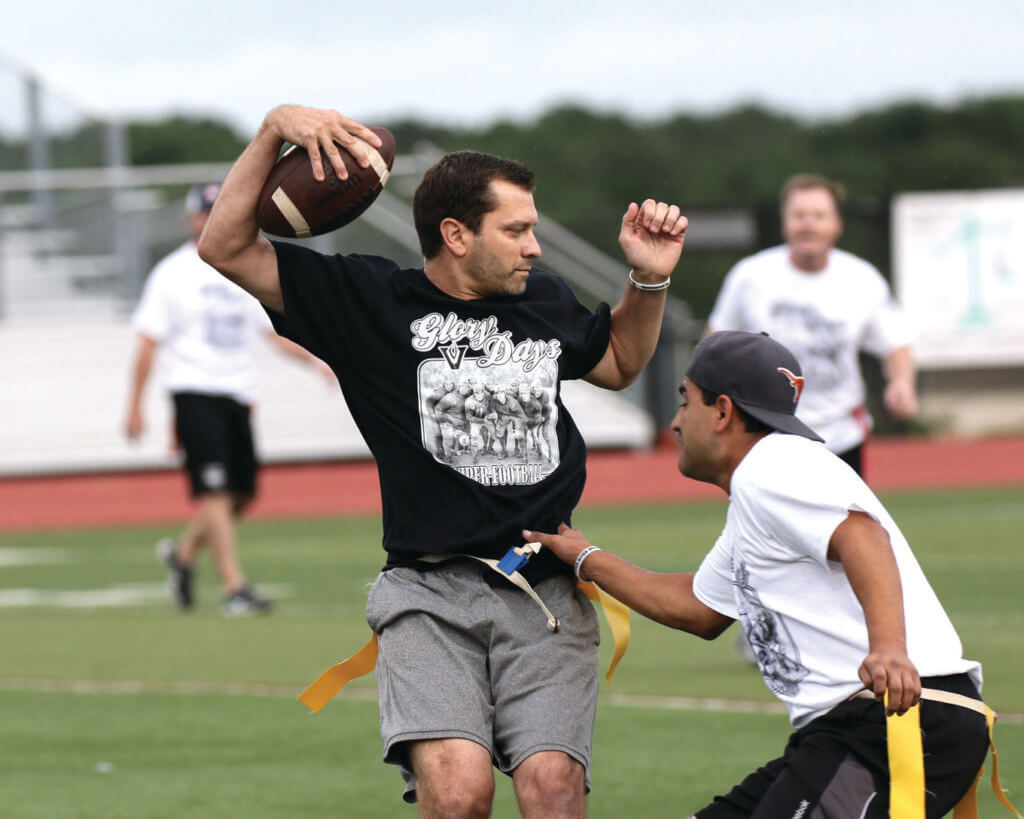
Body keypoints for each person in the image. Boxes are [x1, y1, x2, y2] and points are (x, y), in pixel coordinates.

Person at [196, 104, 687, 817]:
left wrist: (648, 281)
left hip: (545, 587)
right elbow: (226, 245)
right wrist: (275, 129)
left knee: (552, 789)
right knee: (459, 796)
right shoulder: (365, 301)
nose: (535, 248)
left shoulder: (542, 299)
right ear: (456, 235)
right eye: (516, 231)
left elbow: (615, 361)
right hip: (428, 595)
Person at [525, 330, 992, 818]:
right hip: (863, 729)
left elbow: (863, 537)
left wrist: (890, 649)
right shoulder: (761, 491)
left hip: (895, 722)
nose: (676, 422)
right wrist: (585, 556)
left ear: (723, 411)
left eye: (686, 401)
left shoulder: (771, 468)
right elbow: (699, 609)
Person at [124, 182, 330, 616]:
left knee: (241, 495)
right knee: (214, 490)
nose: (206, 220)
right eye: (202, 213)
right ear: (189, 219)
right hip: (193, 389)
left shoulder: (237, 268)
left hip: (236, 391)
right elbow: (147, 341)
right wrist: (135, 404)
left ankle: (183, 555)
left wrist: (315, 359)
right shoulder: (172, 273)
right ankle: (234, 589)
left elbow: (268, 332)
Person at [708, 173, 917, 477]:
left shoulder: (860, 278)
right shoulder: (750, 276)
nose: (809, 224)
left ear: (837, 224)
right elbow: (717, 341)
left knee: (847, 524)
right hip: (767, 435)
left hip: (841, 433)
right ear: (784, 223)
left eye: (819, 216)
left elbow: (894, 341)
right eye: (799, 215)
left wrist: (901, 383)